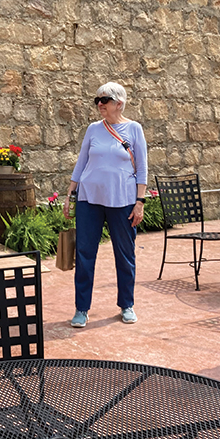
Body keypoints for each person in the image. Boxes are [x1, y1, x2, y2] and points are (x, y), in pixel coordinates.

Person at [63, 82, 148, 328]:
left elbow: (141, 168)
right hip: (89, 198)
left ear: (119, 103)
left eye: (105, 100)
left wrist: (139, 201)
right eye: (97, 100)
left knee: (125, 254)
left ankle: (127, 304)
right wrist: (70, 193)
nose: (100, 104)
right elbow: (82, 161)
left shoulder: (134, 129)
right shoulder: (93, 129)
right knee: (85, 254)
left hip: (122, 201)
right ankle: (81, 308)